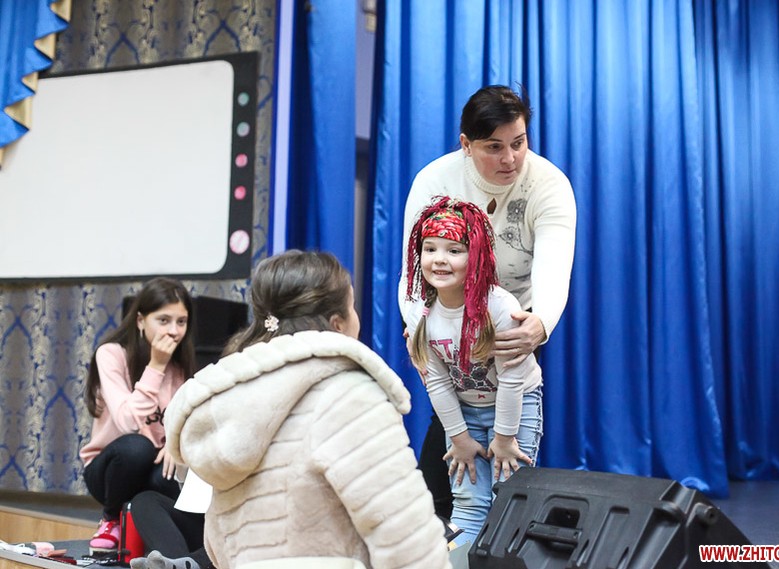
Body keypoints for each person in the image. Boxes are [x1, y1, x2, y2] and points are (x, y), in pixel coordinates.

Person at [165, 250, 452, 569]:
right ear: (337, 324)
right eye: (353, 306)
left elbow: (217, 541)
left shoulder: (226, 399)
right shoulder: (348, 395)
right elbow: (403, 534)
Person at [399, 85, 577, 518]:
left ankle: (507, 517)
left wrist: (539, 324)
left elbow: (554, 267)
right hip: (446, 318)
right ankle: (445, 522)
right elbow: (414, 271)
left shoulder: (549, 184)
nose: (510, 158)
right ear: (466, 144)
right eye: (494, 147)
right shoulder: (435, 181)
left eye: (518, 143)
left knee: (509, 442)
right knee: (452, 432)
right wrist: (422, 330)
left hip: (511, 324)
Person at [403, 197, 544, 547]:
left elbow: (512, 378)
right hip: (465, 411)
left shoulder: (500, 307)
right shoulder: (421, 312)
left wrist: (505, 438)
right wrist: (460, 439)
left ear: (476, 256)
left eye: (454, 250)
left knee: (509, 497)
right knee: (467, 500)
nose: (439, 259)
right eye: (430, 249)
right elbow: (436, 381)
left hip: (515, 404)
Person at [81, 277, 195, 554]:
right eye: (164, 320)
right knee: (137, 448)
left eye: (181, 322)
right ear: (141, 321)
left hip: (153, 467)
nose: (174, 331)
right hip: (111, 470)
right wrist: (156, 366)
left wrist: (175, 444)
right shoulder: (111, 354)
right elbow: (127, 422)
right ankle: (110, 519)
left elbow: (190, 420)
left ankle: (162, 545)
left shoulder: (182, 367)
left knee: (171, 474)